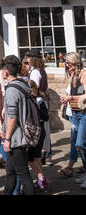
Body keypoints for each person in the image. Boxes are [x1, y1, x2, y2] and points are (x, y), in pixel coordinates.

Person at [1, 55, 35, 195]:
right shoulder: (22, 84)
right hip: (18, 136)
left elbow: (12, 118)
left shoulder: (12, 90)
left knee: (23, 174)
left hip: (16, 138)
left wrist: (7, 138)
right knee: (10, 173)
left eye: (2, 69)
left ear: (6, 72)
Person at [60, 52, 86, 188]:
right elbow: (73, 93)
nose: (67, 65)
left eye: (69, 63)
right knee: (78, 145)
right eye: (66, 63)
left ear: (75, 62)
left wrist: (70, 98)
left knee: (81, 144)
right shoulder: (73, 76)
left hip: (83, 114)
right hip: (75, 113)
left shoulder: (83, 74)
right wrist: (66, 98)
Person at [26, 50, 52, 166]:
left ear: (33, 59)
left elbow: (34, 89)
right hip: (43, 103)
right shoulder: (42, 71)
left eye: (29, 58)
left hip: (38, 104)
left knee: (39, 131)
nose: (27, 60)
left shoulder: (35, 72)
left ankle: (40, 156)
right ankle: (45, 155)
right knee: (44, 131)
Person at [28, 80, 49, 191]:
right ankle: (43, 179)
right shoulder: (35, 100)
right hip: (38, 131)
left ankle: (41, 179)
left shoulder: (39, 101)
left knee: (30, 158)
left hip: (37, 131)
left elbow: (45, 117)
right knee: (36, 157)